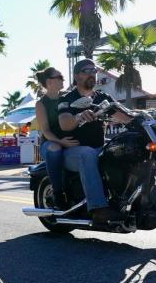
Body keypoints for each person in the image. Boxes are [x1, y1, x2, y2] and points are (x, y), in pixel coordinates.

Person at [57, 58, 133, 223]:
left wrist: (142, 117)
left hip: (99, 147)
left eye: (94, 70)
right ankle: (98, 209)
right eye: (87, 71)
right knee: (87, 154)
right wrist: (78, 116)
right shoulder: (66, 99)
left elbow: (123, 115)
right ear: (77, 76)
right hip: (73, 152)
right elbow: (64, 123)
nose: (92, 74)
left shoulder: (102, 97)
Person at [33, 66, 73, 208]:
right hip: (50, 142)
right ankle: (58, 193)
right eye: (60, 77)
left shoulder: (68, 95)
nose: (63, 79)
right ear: (49, 82)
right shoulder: (41, 104)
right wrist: (61, 142)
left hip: (69, 140)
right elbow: (45, 131)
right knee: (55, 149)